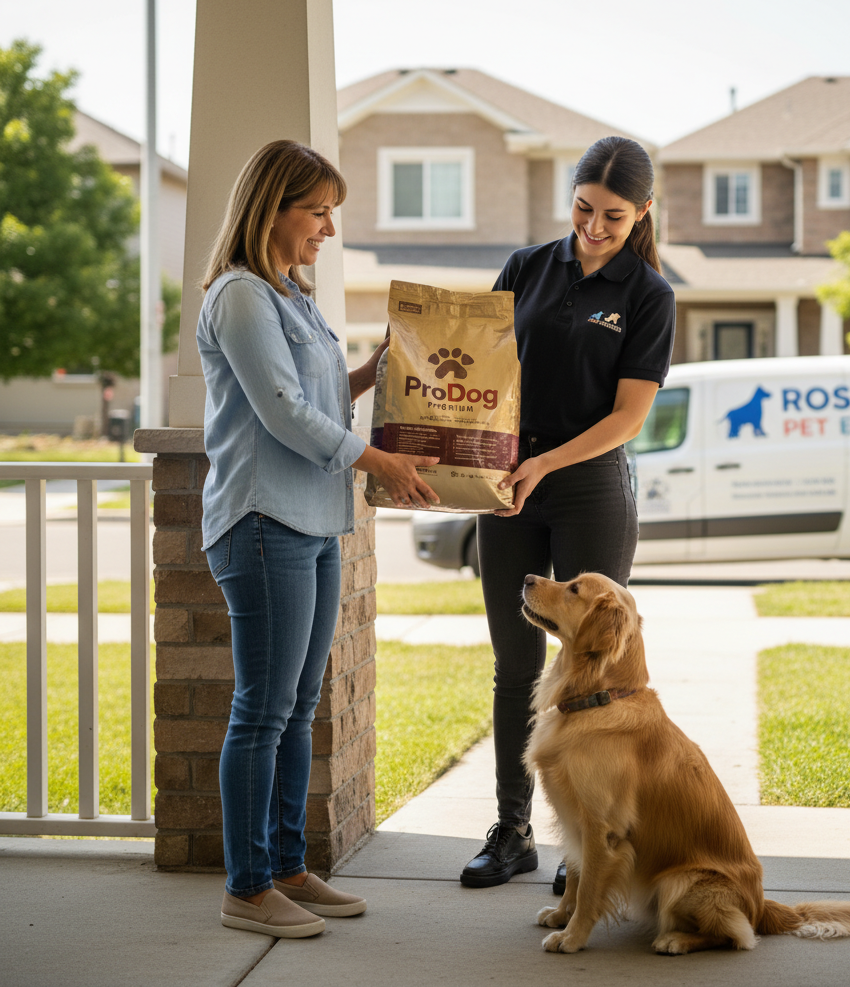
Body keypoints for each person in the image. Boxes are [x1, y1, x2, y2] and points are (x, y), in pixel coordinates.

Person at [198, 139, 439, 938]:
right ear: (274, 208)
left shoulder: (290, 296)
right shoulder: (240, 297)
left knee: (298, 708)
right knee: (262, 712)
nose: (328, 229)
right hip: (263, 524)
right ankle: (246, 887)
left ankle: (287, 866)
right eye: (318, 211)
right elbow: (282, 413)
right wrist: (383, 462)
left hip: (313, 522)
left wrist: (375, 373)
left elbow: (318, 394)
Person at [459, 136, 676, 890]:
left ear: (642, 212)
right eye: (583, 208)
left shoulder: (649, 295)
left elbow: (628, 417)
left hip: (587, 486)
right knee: (515, 663)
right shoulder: (526, 268)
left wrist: (545, 463)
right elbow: (476, 365)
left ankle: (584, 842)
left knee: (590, 671)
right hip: (505, 485)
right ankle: (512, 830)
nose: (593, 226)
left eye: (613, 216)